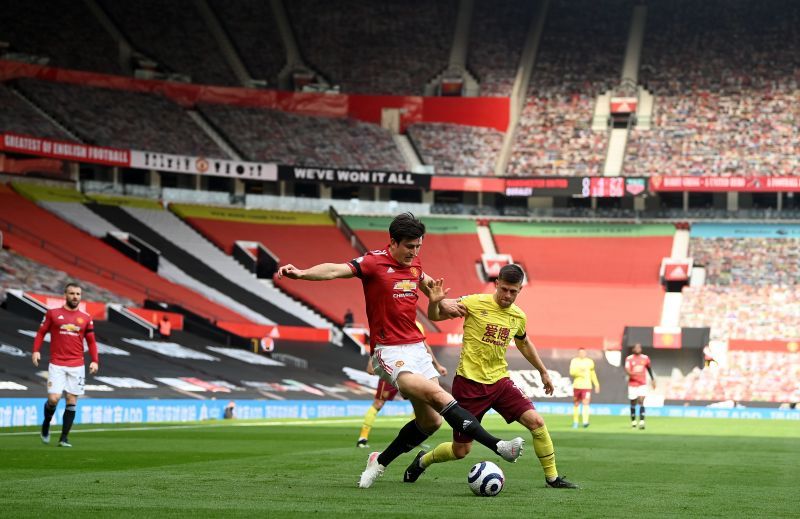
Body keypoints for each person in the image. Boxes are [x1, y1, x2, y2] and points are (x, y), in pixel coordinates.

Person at [277, 212, 524, 489]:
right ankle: (498, 445)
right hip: (389, 351)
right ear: (393, 242)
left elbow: (431, 286)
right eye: (409, 246)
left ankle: (379, 461)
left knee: (431, 422)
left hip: (417, 348)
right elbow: (335, 269)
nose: (414, 252)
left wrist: (445, 302)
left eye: (418, 246)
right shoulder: (373, 262)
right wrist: (301, 273)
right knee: (437, 394)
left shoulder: (414, 264)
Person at [404, 264, 578, 489]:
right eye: (503, 289)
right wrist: (435, 301)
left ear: (520, 290)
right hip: (469, 385)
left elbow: (523, 343)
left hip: (500, 382)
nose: (507, 296)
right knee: (460, 451)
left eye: (513, 291)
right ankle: (423, 460)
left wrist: (543, 371)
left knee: (536, 422)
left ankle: (552, 478)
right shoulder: (474, 302)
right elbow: (435, 317)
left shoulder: (518, 316)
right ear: (496, 285)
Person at [357, 321, 448, 448]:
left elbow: (425, 346)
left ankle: (415, 438)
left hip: (412, 368)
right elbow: (378, 342)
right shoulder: (388, 320)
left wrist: (437, 365)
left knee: (420, 403)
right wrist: (371, 361)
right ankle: (362, 438)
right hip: (391, 367)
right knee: (378, 403)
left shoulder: (417, 325)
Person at [31, 282, 99, 447]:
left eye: (78, 294)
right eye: (72, 293)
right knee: (54, 399)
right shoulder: (53, 314)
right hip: (57, 363)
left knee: (71, 399)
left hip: (77, 364)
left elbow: (91, 341)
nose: (75, 296)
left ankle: (64, 438)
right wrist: (36, 350)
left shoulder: (86, 318)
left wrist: (95, 360)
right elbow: (41, 332)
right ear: (65, 295)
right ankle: (46, 423)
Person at [625, 343, 656, 429]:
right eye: (636, 347)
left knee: (641, 400)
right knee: (633, 402)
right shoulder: (629, 359)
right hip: (632, 384)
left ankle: (642, 422)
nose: (638, 349)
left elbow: (649, 368)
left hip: (642, 384)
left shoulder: (645, 358)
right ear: (633, 349)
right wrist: (633, 374)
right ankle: (634, 422)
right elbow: (627, 370)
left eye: (639, 347)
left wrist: (653, 379)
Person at [569, 348, 600, 428]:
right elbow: (571, 372)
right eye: (580, 352)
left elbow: (593, 373)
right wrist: (580, 372)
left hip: (587, 386)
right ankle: (575, 422)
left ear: (585, 353)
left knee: (586, 402)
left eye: (583, 352)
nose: (582, 354)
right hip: (577, 385)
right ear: (578, 353)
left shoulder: (589, 362)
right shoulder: (574, 361)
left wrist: (596, 384)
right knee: (576, 403)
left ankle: (585, 422)